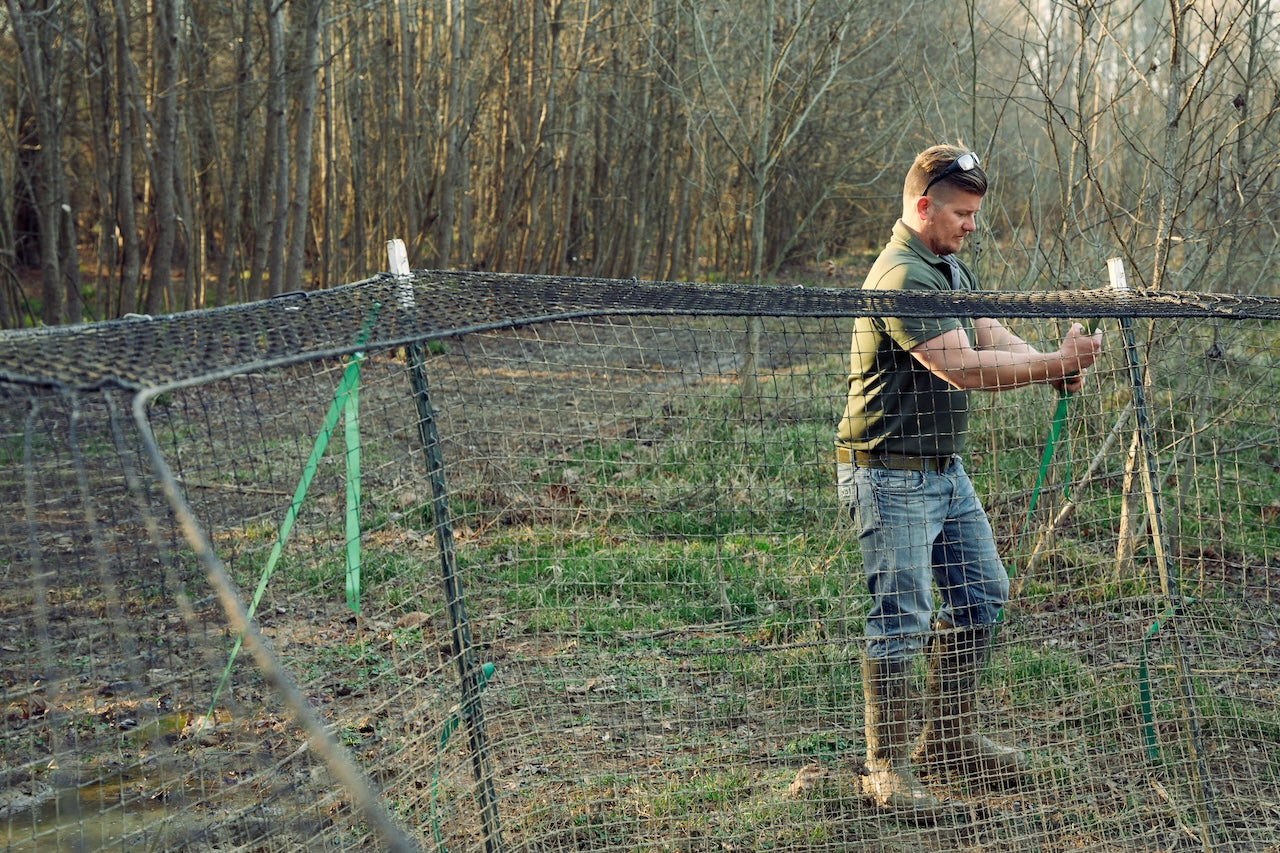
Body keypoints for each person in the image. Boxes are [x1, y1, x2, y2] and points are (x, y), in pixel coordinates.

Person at [834, 145, 1103, 818]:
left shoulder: (945, 263)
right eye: (961, 213)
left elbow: (983, 328)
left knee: (982, 594)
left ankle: (949, 742)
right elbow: (965, 368)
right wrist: (1050, 365)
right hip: (889, 472)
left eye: (975, 212)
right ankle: (887, 768)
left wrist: (1049, 359)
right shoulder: (901, 274)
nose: (972, 225)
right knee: (901, 619)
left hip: (941, 469)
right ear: (923, 206)